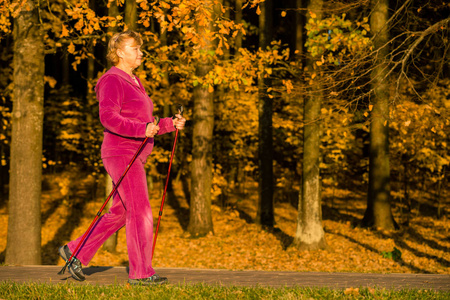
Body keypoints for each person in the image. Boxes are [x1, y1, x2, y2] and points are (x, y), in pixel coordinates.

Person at [58, 30, 186, 285]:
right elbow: (108, 117)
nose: (141, 53)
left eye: (141, 48)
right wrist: (141, 129)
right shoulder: (112, 80)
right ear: (119, 52)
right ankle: (141, 273)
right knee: (141, 211)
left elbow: (144, 122)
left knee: (120, 213)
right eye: (135, 49)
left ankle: (75, 251)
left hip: (135, 153)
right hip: (121, 152)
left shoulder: (134, 81)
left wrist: (170, 124)